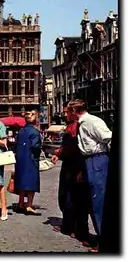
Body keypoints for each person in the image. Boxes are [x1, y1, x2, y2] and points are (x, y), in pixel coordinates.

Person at [67, 99, 111, 252]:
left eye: (68, 111)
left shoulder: (92, 121)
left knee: (98, 200)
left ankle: (105, 242)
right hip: (88, 161)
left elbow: (108, 137)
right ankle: (100, 237)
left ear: (74, 111)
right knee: (91, 200)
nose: (67, 114)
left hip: (97, 159)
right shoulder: (82, 123)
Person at [51, 102, 90, 245]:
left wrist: (61, 153)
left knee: (72, 198)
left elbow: (73, 148)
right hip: (70, 165)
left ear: (73, 112)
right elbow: (67, 147)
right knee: (69, 197)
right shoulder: (70, 127)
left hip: (74, 166)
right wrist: (59, 153)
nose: (64, 115)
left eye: (66, 112)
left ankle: (73, 229)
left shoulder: (77, 127)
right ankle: (71, 227)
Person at [14, 110, 42, 215]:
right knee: (31, 182)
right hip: (31, 159)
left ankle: (21, 203)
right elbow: (35, 146)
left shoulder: (21, 131)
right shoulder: (35, 132)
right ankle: (29, 205)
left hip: (21, 160)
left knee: (22, 182)